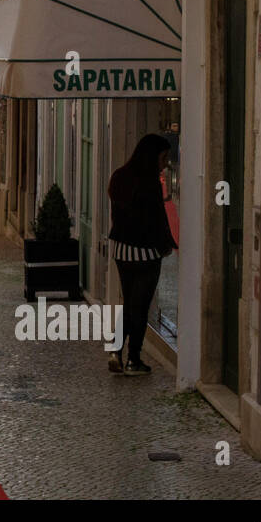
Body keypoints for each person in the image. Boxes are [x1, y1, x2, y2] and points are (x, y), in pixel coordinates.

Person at [106, 133, 177, 375]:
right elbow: (156, 220)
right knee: (140, 307)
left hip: (121, 249)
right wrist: (165, 245)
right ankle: (133, 359)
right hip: (145, 253)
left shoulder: (119, 176)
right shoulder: (150, 183)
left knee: (129, 303)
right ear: (152, 156)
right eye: (164, 157)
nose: (165, 162)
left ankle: (115, 351)